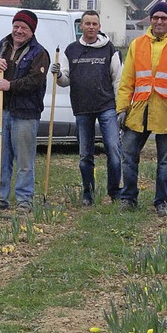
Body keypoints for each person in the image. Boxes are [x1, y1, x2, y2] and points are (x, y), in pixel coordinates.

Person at [116, 2, 167, 215]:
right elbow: (127, 79)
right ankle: (128, 198)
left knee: (165, 161)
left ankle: (162, 202)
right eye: (156, 17)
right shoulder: (137, 44)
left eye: (164, 18)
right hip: (139, 111)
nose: (159, 21)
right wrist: (122, 108)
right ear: (150, 20)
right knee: (128, 154)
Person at [0, 10, 50, 214]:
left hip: (25, 114)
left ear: (31, 31)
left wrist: (10, 85)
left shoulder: (39, 53)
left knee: (24, 161)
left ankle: (24, 200)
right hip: (0, 111)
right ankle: (0, 198)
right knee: (0, 159)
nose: (19, 31)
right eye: (16, 26)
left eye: (24, 28)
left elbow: (36, 81)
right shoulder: (0, 47)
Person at [51, 10, 123, 206]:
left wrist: (120, 107)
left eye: (95, 24)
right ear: (80, 26)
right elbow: (65, 81)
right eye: (87, 23)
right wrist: (57, 75)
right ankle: (88, 194)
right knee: (85, 155)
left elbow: (118, 79)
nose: (91, 27)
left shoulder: (109, 49)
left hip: (107, 107)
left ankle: (115, 192)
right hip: (82, 108)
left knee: (113, 151)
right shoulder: (71, 50)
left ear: (99, 26)